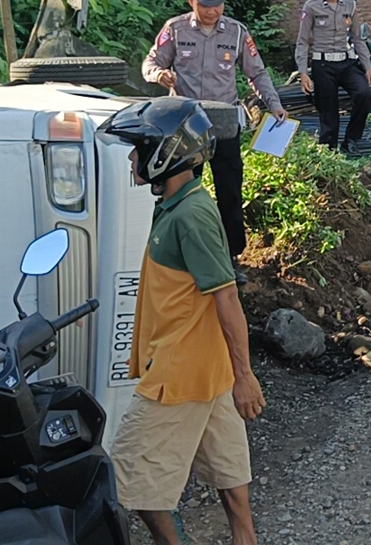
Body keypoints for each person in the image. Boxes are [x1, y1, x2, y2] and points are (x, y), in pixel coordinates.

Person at [98, 98, 266, 545]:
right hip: (207, 369)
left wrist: (246, 377)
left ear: (164, 153)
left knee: (131, 477)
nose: (134, 159)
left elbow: (227, 297)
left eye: (138, 149)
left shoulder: (190, 217)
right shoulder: (179, 206)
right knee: (227, 467)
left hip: (177, 375)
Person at [142, 0, 288, 285]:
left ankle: (232, 257)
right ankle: (174, 257)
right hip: (184, 125)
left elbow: (258, 73)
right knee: (179, 191)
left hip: (223, 124)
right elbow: (150, 63)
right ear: (191, 0)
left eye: (218, 4)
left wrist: (273, 103)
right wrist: (160, 76)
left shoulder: (236, 32)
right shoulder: (175, 29)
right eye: (205, 5)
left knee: (230, 192)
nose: (213, 11)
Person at [295, 0, 371, 155]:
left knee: (364, 94)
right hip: (322, 64)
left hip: (346, 62)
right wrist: (303, 72)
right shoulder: (311, 7)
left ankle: (351, 140)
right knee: (328, 110)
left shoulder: (350, 5)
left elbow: (357, 38)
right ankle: (329, 150)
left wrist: (367, 66)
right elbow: (302, 41)